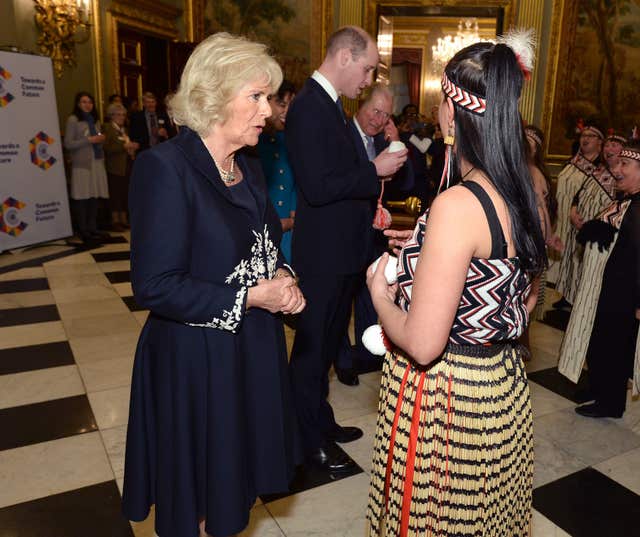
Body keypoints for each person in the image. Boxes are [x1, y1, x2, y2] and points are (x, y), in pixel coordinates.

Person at [122, 33, 305, 537]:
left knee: (234, 484)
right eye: (257, 96)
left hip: (247, 349)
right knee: (203, 490)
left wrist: (285, 277)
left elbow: (264, 242)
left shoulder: (245, 165)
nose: (267, 110)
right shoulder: (164, 168)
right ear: (214, 95)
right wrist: (250, 296)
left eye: (268, 97)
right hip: (195, 358)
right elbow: (154, 285)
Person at [365, 33, 545, 535]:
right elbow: (523, 299)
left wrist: (381, 293)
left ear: (452, 109)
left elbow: (424, 344)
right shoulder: (524, 192)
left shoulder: (457, 205)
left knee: (436, 521)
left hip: (449, 403)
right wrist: (431, 262)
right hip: (501, 391)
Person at [285, 25, 408, 473]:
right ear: (344, 57)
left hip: (341, 255)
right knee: (311, 352)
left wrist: (373, 172)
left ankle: (320, 421)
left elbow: (339, 174)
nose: (370, 78)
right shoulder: (309, 109)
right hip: (321, 257)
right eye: (368, 67)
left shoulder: (331, 107)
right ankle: (303, 441)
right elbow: (317, 188)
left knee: (326, 349)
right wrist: (372, 170)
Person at [335, 82, 414, 384]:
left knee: (373, 293)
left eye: (385, 115)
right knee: (341, 302)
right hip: (345, 233)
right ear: (361, 106)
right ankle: (343, 361)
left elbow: (406, 183)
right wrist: (372, 168)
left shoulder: (384, 140)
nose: (378, 119)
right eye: (375, 111)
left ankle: (368, 354)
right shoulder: (341, 136)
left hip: (374, 235)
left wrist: (397, 143)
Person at [558, 140, 640, 418]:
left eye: (625, 164)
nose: (616, 170)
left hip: (623, 294)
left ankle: (611, 402)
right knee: (599, 340)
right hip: (606, 289)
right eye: (617, 164)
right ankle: (598, 388)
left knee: (614, 345)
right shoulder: (626, 202)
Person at [554, 125, 604, 309]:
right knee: (568, 256)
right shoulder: (573, 160)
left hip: (584, 218)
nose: (586, 138)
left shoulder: (600, 166)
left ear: (600, 142)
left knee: (578, 257)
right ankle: (566, 294)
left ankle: (575, 297)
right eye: (584, 135)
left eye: (591, 136)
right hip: (567, 215)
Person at [257, 79, 297, 262]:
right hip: (261, 231)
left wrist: (294, 214)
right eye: (282, 104)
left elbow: (297, 180)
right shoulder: (253, 141)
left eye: (291, 105)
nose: (287, 111)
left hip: (288, 234)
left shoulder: (291, 138)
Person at [64, 91, 110, 244]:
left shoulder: (95, 120)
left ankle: (93, 227)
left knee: (93, 197)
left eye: (90, 102)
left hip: (96, 162)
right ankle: (83, 230)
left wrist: (101, 140)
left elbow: (97, 141)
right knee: (82, 197)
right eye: (84, 102)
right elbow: (68, 143)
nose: (87, 105)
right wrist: (89, 139)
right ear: (78, 104)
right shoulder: (73, 120)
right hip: (81, 164)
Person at [103, 103, 138, 231]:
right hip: (114, 166)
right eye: (118, 114)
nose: (122, 117)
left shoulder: (124, 130)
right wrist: (123, 147)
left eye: (123, 115)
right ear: (111, 116)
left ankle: (123, 219)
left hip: (126, 165)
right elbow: (105, 147)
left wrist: (132, 147)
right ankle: (115, 220)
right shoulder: (108, 128)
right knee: (115, 194)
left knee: (124, 193)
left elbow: (126, 145)